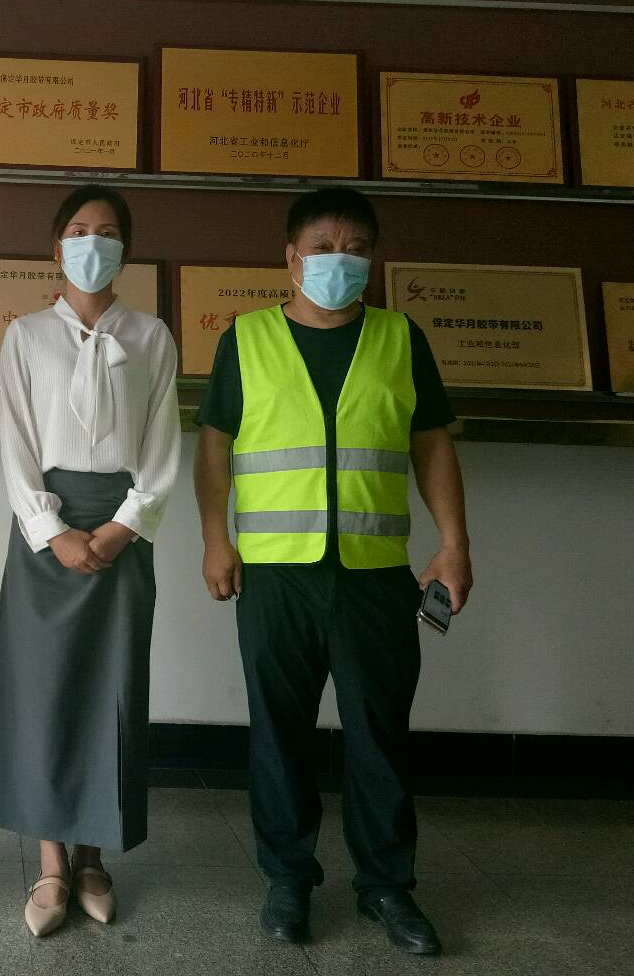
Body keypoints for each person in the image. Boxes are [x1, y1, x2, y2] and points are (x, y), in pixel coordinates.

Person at [193, 187, 471, 956]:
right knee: (278, 733)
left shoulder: (399, 338)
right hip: (274, 575)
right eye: (323, 248)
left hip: (374, 574)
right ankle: (288, 879)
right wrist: (215, 539)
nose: (338, 261)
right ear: (291, 259)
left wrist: (454, 542)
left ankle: (387, 886)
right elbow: (214, 445)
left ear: (372, 261)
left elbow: (431, 443)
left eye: (355, 250)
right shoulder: (247, 338)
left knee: (379, 734)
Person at [0, 185, 181, 937]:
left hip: (123, 530)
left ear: (126, 249)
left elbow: (162, 442)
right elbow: (17, 442)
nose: (95, 242)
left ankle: (95, 856)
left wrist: (124, 527)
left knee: (110, 688)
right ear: (56, 246)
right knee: (44, 691)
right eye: (81, 230)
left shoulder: (151, 336)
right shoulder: (26, 335)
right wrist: (51, 529)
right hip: (46, 533)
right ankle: (53, 862)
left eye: (110, 231)